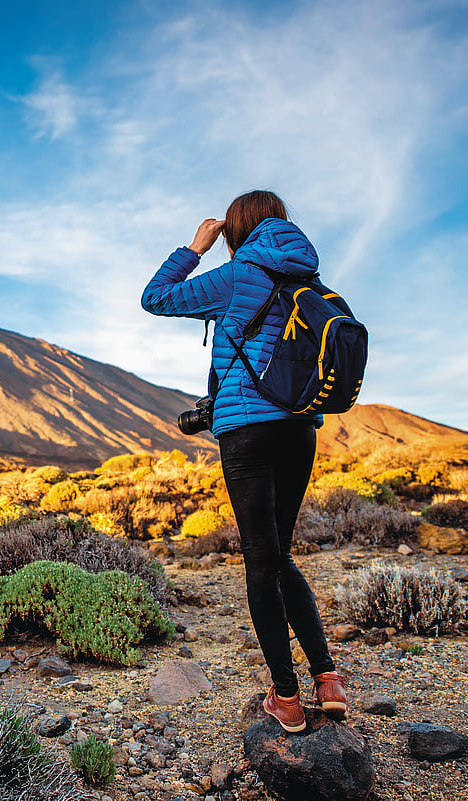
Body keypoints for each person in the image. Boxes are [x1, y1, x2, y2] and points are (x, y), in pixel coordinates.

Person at [140, 190, 347, 733]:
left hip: (248, 433)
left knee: (262, 560)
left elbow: (156, 298)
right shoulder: (311, 281)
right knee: (279, 554)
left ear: (235, 229)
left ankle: (286, 697)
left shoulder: (237, 276)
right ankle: (328, 679)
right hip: (301, 432)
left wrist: (194, 248)